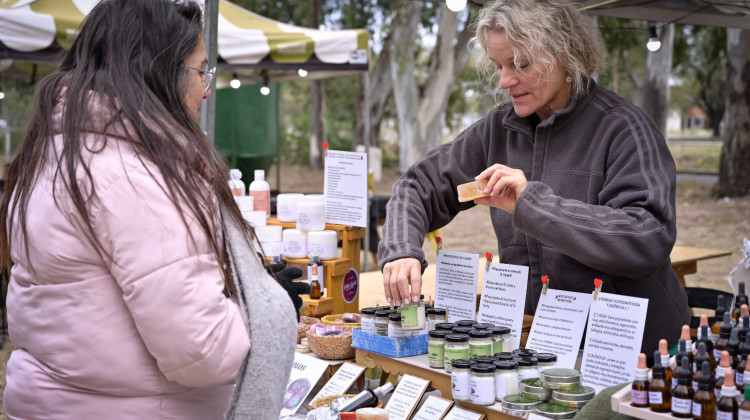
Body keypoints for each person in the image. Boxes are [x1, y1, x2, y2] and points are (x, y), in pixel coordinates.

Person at [0, 0, 298, 418]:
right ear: (159, 72)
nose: (207, 89)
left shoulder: (58, 151)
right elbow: (203, 349)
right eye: (200, 71)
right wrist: (266, 311)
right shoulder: (131, 174)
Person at [378, 0, 689, 355]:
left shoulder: (623, 128)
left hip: (632, 353)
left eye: (520, 63)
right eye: (498, 65)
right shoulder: (499, 129)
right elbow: (417, 185)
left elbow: (647, 236)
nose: (505, 81)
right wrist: (400, 251)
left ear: (566, 53)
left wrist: (532, 203)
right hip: (540, 344)